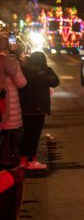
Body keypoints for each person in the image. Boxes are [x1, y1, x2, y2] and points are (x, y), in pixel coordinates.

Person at [18, 52, 59, 170]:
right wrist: (47, 71)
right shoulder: (45, 72)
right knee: (34, 136)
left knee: (26, 135)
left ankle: (23, 161)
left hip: (25, 108)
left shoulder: (24, 71)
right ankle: (32, 160)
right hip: (39, 109)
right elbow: (55, 82)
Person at [0, 34, 27, 168]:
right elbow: (21, 83)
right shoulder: (8, 62)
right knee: (11, 135)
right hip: (8, 103)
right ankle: (9, 162)